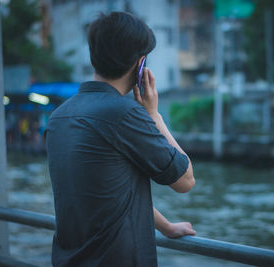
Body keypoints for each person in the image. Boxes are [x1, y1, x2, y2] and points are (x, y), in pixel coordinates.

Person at [45, 12, 196, 266]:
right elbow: (185, 180)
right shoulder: (123, 114)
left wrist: (166, 227)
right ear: (140, 64)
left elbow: (108, 192)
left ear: (94, 56)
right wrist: (154, 114)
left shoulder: (60, 116)